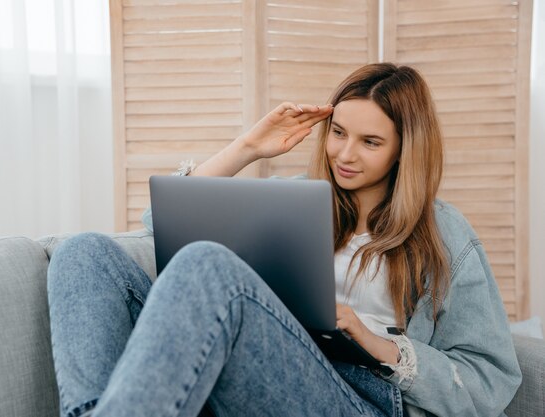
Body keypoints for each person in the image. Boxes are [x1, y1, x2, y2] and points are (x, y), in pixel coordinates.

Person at [46, 63, 521, 417]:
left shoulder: (443, 234)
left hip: (363, 397)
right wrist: (247, 149)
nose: (344, 154)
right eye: (337, 133)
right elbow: (158, 222)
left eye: (370, 142)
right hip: (262, 360)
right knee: (83, 253)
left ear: (404, 150)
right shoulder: (295, 198)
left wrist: (375, 342)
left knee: (209, 266)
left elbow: (492, 378)